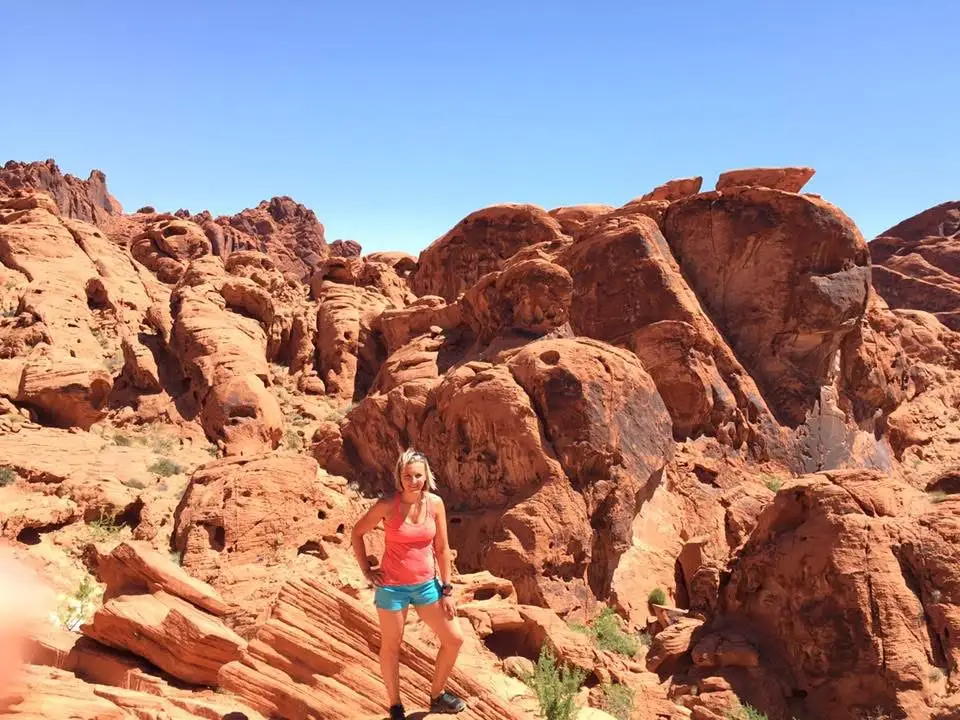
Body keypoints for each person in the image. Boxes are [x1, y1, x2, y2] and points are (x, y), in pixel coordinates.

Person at [351, 449, 466, 720]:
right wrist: (367, 570)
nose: (413, 480)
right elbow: (357, 532)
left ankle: (437, 695)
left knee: (454, 639)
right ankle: (396, 705)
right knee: (392, 645)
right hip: (392, 588)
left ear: (426, 476)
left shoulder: (435, 504)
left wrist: (447, 589)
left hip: (427, 585)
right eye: (407, 476)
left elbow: (442, 548)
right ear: (399, 478)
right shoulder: (387, 505)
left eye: (418, 475)